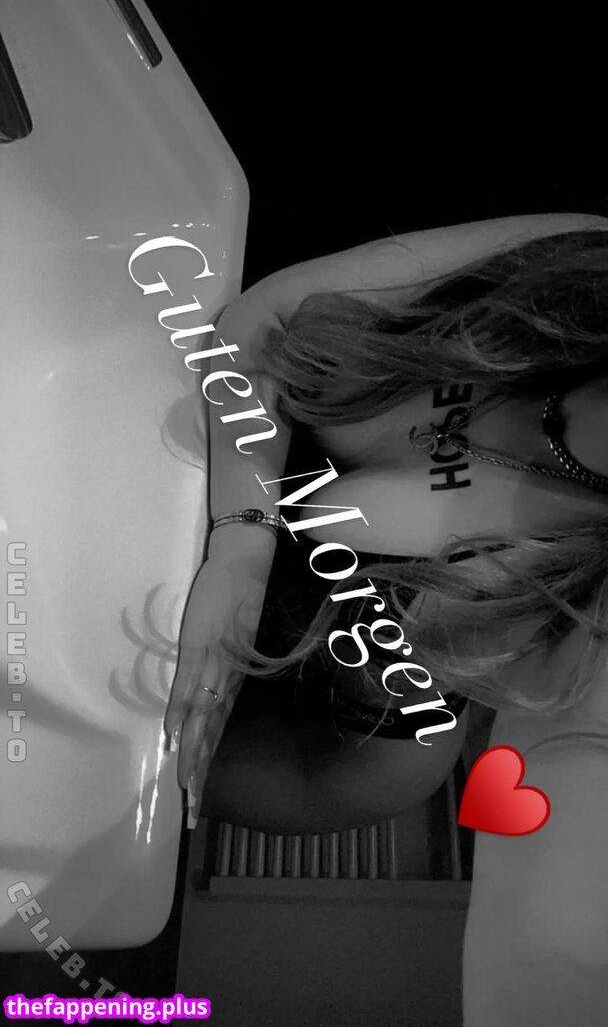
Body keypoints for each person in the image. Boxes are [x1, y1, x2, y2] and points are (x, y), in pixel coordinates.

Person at [164, 212, 608, 1025]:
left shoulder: (398, 740)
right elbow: (267, 316)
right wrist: (242, 545)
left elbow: (131, 792)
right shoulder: (580, 263)